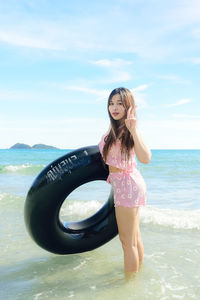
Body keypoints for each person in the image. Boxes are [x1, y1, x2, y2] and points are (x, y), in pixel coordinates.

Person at [98, 87, 151, 277]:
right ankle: (138, 278)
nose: (114, 107)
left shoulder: (128, 129)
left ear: (128, 105)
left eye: (120, 103)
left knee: (127, 242)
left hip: (128, 185)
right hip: (126, 184)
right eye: (111, 103)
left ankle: (129, 286)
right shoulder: (114, 130)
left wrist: (133, 128)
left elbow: (145, 158)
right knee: (134, 239)